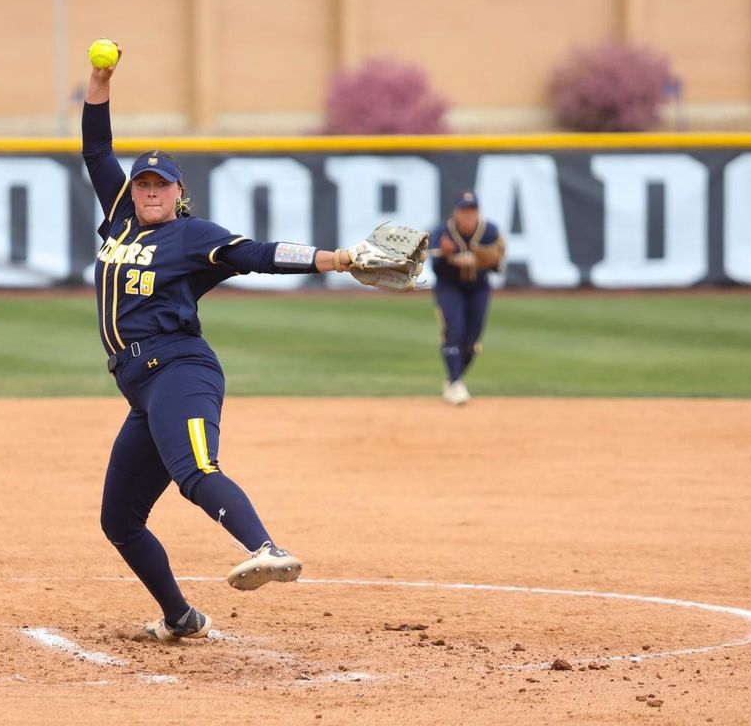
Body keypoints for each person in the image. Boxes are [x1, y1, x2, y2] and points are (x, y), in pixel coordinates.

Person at [82, 45, 364, 642]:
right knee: (120, 520)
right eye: (143, 183)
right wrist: (98, 82)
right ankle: (180, 617)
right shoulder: (119, 218)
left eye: (161, 183)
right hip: (140, 388)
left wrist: (332, 258)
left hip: (179, 371)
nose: (150, 189)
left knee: (196, 470)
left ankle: (267, 547)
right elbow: (96, 149)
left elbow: (258, 255)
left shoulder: (191, 235)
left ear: (179, 192)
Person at [429, 191, 505, 405]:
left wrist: (485, 259)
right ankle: (455, 383)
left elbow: (498, 264)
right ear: (456, 212)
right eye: (464, 210)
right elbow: (435, 267)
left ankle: (454, 378)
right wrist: (446, 257)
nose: (468, 215)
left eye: (472, 210)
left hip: (478, 288)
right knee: (454, 331)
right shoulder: (442, 232)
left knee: (472, 341)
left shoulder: (489, 231)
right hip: (449, 287)